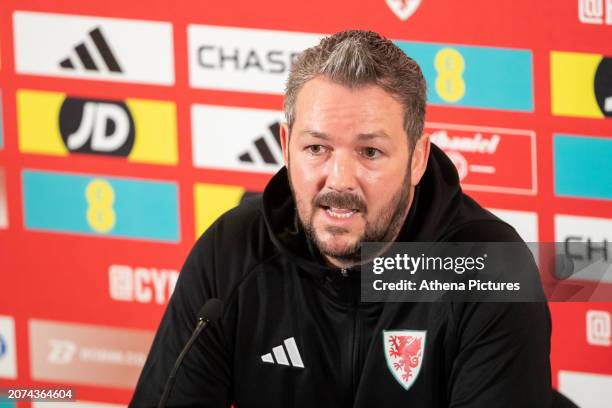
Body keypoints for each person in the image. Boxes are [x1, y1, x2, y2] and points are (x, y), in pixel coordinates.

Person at [130, 30, 551, 407]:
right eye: (317, 148)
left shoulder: (490, 267)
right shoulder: (233, 250)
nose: (340, 180)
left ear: (418, 158)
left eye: (370, 152)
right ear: (285, 144)